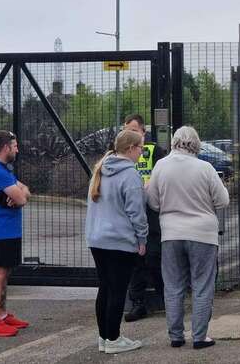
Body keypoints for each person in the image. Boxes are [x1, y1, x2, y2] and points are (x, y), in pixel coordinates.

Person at [146, 126, 229, 350]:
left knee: (173, 286)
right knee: (202, 285)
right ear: (196, 143)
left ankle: (176, 335)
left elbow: (152, 202)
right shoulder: (205, 168)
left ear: (174, 142)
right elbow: (223, 200)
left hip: (171, 233)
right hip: (203, 233)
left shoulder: (161, 167)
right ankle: (200, 337)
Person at [85, 129, 148, 354]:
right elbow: (136, 212)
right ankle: (114, 338)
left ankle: (104, 337)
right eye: (140, 147)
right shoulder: (130, 174)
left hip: (97, 239)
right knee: (118, 290)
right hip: (120, 240)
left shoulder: (100, 169)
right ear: (130, 149)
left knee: (105, 288)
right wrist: (142, 238)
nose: (142, 152)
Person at [0, 130, 31, 337]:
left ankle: (2, 315)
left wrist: (20, 193)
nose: (17, 149)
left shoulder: (4, 169)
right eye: (15, 145)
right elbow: (21, 199)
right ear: (5, 148)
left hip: (9, 230)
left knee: (5, 272)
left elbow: (25, 191)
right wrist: (20, 195)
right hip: (0, 231)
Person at [122, 114, 166, 322]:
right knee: (135, 260)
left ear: (143, 132)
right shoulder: (120, 153)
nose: (129, 134)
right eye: (126, 130)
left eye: (134, 130)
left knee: (154, 257)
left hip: (152, 211)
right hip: (130, 212)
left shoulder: (154, 151)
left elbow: (162, 176)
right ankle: (138, 303)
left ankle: (166, 297)